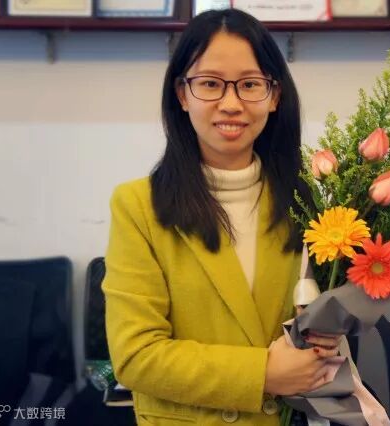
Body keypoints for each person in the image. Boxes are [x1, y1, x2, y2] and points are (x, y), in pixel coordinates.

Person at [102, 8, 341, 426]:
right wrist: (263, 373)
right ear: (182, 94)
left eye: (249, 84)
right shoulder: (138, 206)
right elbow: (135, 356)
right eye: (210, 84)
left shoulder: (308, 204)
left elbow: (321, 315)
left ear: (274, 95)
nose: (231, 104)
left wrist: (326, 341)